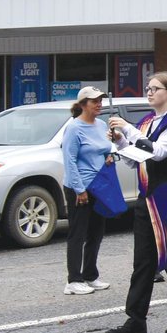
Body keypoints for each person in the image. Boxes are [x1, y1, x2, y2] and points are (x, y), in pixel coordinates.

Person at [104, 72, 167, 333]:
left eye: (155, 88)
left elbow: (159, 151)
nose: (149, 92)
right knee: (143, 262)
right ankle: (136, 322)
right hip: (147, 197)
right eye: (148, 88)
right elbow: (138, 160)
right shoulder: (147, 121)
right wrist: (120, 142)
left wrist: (128, 128)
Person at [61, 87, 117, 295]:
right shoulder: (74, 128)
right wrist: (79, 189)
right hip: (80, 187)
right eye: (94, 101)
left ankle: (90, 275)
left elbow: (103, 150)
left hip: (99, 186)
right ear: (83, 104)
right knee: (78, 232)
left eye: (101, 100)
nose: (99, 104)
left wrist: (108, 157)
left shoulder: (101, 124)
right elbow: (69, 160)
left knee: (96, 232)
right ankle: (73, 279)